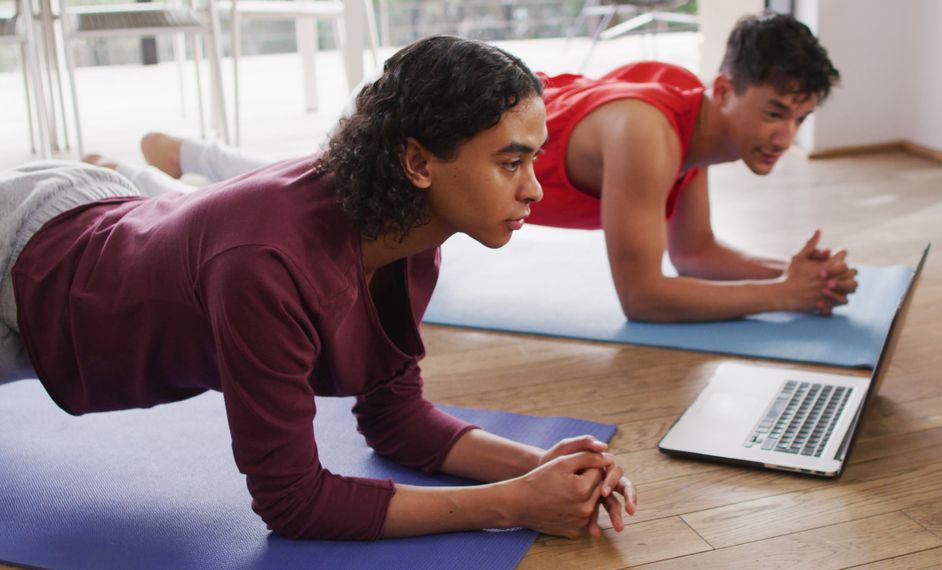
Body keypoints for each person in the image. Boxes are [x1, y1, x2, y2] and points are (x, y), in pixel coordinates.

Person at [0, 36, 635, 541]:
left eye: (532, 160)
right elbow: (292, 501)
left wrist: (539, 465)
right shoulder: (267, 266)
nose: (535, 190)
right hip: (30, 266)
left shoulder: (412, 232)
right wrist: (509, 505)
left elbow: (395, 417)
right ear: (418, 162)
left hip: (102, 214)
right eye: (510, 162)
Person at [141, 12, 857, 324]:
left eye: (800, 118)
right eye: (774, 112)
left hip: (478, 133)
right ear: (726, 90)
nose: (785, 135)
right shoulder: (649, 136)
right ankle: (153, 185)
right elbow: (644, 295)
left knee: (303, 185)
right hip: (455, 134)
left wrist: (791, 274)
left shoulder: (690, 126)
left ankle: (183, 164)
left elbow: (694, 253)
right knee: (299, 207)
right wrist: (784, 298)